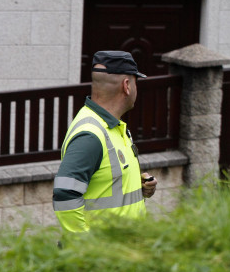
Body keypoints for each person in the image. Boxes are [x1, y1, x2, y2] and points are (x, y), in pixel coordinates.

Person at [53, 50, 158, 233]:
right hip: (103, 255)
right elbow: (64, 195)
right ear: (127, 86)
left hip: (124, 251)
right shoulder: (90, 135)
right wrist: (86, 246)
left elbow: (105, 182)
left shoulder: (114, 126)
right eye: (135, 82)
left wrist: (138, 185)